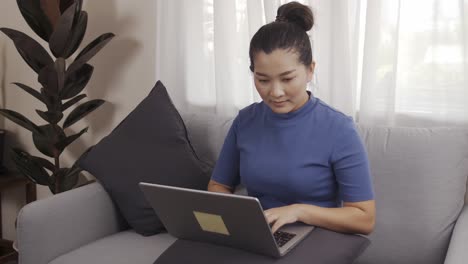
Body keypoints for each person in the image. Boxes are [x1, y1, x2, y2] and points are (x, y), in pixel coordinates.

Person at [207, 1, 375, 235]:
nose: (275, 92)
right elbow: (218, 185)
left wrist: (299, 211)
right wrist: (239, 220)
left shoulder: (338, 129)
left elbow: (364, 218)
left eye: (287, 79)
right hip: (260, 234)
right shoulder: (245, 121)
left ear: (310, 70)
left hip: (317, 236)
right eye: (263, 80)